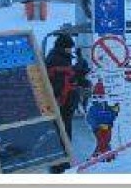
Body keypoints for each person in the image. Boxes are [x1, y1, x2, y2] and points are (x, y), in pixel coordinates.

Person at [45, 34, 90, 173]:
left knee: (63, 131)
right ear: (64, 47)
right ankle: (60, 165)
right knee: (62, 132)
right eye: (69, 48)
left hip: (64, 102)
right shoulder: (57, 59)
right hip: (61, 102)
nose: (71, 50)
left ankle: (62, 163)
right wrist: (79, 70)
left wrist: (79, 74)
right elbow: (65, 78)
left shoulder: (58, 57)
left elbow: (69, 77)